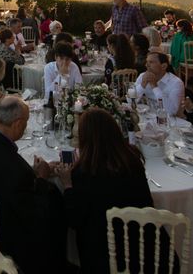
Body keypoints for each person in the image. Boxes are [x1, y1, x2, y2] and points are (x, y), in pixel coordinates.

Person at [56, 108, 176, 274]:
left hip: (104, 259)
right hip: (147, 253)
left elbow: (74, 219)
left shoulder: (84, 171)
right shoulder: (132, 158)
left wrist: (68, 184)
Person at [0, 96, 67, 273]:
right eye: (26, 122)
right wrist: (41, 178)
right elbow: (36, 216)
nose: (26, 126)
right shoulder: (16, 168)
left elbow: (2, 175)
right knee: (56, 206)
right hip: (2, 234)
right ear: (18, 124)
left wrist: (33, 172)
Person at [135, 51, 184, 117]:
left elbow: (171, 112)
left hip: (169, 122)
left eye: (151, 62)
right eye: (147, 62)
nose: (146, 65)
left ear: (163, 66)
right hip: (148, 116)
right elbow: (131, 101)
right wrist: (142, 85)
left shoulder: (176, 83)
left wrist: (155, 86)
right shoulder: (142, 76)